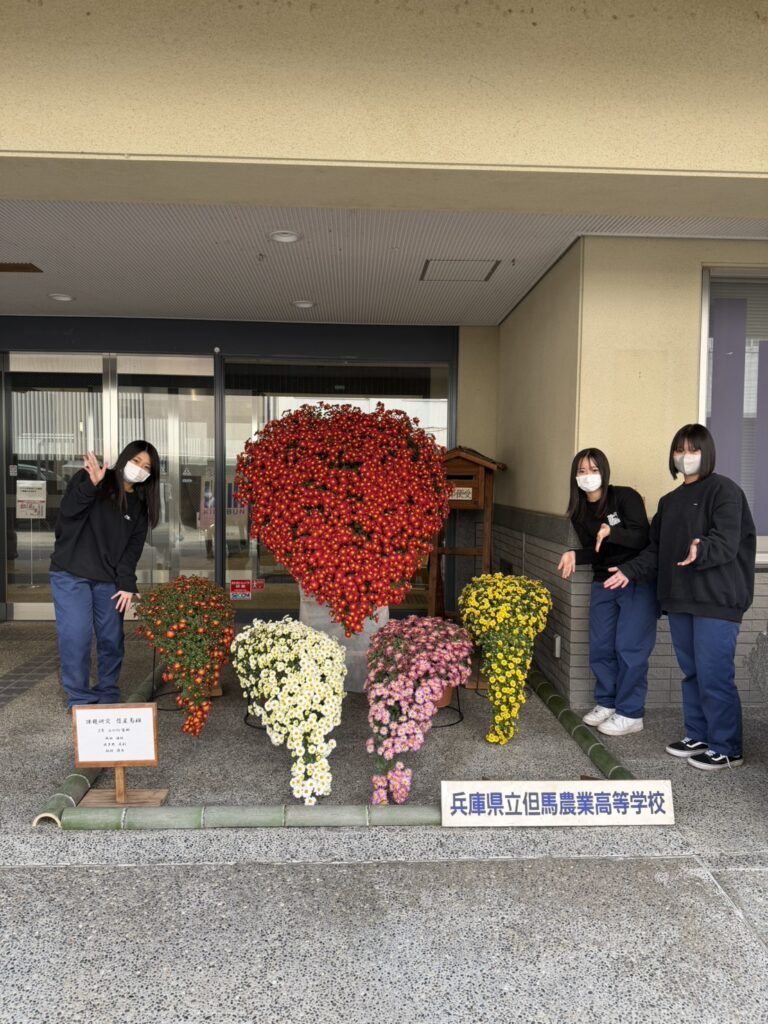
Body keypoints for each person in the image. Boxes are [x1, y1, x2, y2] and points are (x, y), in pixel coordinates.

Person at [605, 424, 756, 770]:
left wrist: (701, 547)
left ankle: (727, 747)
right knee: (692, 672)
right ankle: (699, 735)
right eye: (679, 450)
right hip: (680, 600)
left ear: (707, 453)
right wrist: (629, 570)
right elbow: (656, 551)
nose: (685, 456)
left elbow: (726, 540)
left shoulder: (724, 491)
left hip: (716, 600)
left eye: (693, 450)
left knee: (714, 674)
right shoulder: (669, 502)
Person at [49, 441, 160, 708]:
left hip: (109, 580)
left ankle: (108, 690)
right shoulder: (92, 478)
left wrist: (126, 584)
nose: (139, 469)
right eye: (136, 461)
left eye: (147, 467)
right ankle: (80, 698)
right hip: (71, 573)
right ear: (124, 458)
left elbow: (131, 551)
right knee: (77, 636)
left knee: (112, 638)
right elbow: (68, 513)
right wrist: (91, 485)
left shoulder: (139, 506)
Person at [558, 448, 657, 736]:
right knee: (601, 646)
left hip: (635, 580)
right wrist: (576, 554)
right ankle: (608, 702)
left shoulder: (625, 497)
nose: (587, 476)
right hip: (603, 582)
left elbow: (643, 537)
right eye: (581, 471)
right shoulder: (579, 512)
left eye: (593, 469)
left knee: (630, 648)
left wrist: (613, 532)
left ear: (604, 471)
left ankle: (631, 713)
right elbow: (596, 551)